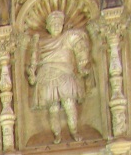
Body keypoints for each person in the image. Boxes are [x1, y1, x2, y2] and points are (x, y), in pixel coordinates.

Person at [27, 10, 91, 143]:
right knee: (53, 108)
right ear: (48, 27)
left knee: (69, 104)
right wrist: (32, 73)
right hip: (47, 76)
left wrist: (82, 64)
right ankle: (57, 135)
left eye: (58, 23)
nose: (56, 26)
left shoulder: (68, 37)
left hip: (64, 74)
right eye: (53, 23)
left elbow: (80, 46)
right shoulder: (41, 42)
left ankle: (73, 131)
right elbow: (34, 60)